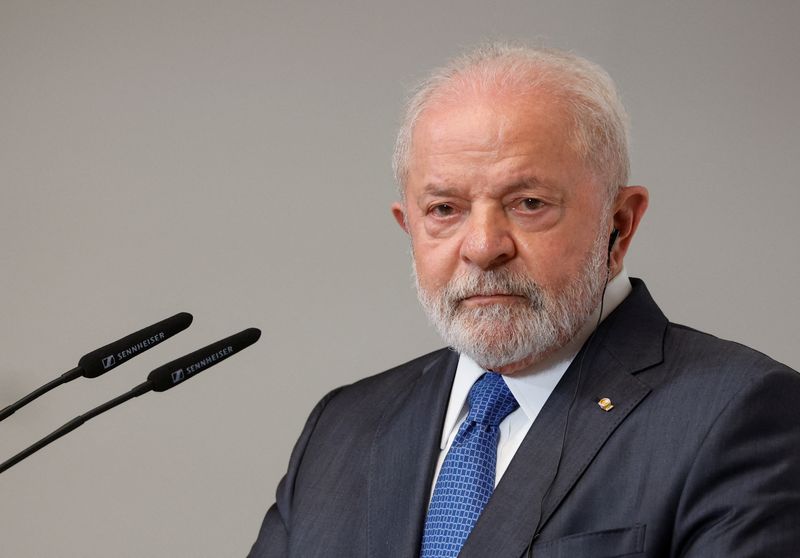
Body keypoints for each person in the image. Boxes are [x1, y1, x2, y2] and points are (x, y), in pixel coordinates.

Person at [248, 43, 800, 557]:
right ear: (409, 228)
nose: (484, 247)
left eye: (529, 202)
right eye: (444, 209)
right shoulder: (343, 426)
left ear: (620, 223)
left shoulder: (738, 413)